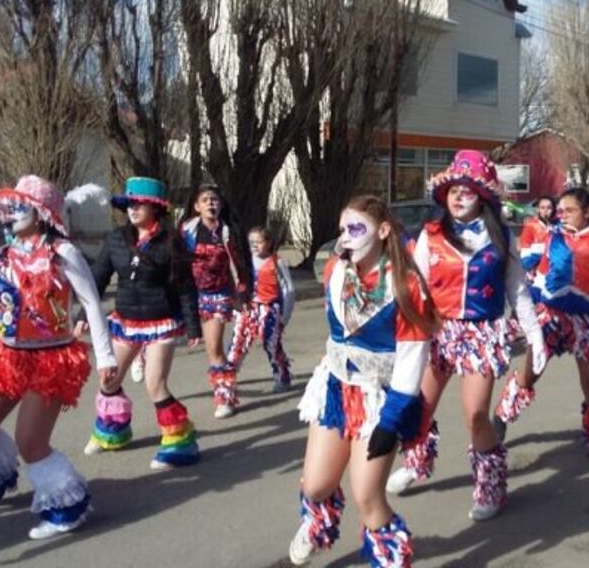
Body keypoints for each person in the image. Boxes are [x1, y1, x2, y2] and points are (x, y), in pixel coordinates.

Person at [384, 150, 546, 521]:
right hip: (438, 331)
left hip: (482, 333)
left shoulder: (501, 237)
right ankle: (417, 462)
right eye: (453, 190)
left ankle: (491, 485)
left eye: (467, 190)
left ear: (483, 197)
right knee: (418, 406)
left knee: (475, 415)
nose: (458, 196)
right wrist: (403, 336)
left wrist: (535, 337)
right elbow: (415, 289)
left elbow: (517, 291)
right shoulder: (431, 235)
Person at [0, 175, 118, 539]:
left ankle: (66, 507)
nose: (10, 215)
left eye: (20, 207)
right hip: (7, 356)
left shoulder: (63, 254)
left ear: (42, 213)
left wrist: (106, 356)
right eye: (8, 208)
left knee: (31, 444)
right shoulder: (1, 256)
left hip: (51, 360)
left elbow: (91, 303)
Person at [290, 195, 436, 567]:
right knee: (316, 485)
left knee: (367, 495)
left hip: (381, 398)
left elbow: (412, 358)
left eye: (356, 229)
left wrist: (391, 422)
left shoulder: (405, 285)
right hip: (337, 389)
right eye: (343, 230)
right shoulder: (333, 271)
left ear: (383, 230)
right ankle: (316, 522)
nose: (347, 238)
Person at [494, 187, 589, 463]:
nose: (564, 215)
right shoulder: (553, 237)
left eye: (570, 210)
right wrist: (527, 308)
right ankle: (501, 416)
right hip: (552, 315)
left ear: (587, 212)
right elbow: (541, 276)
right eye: (561, 211)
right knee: (531, 373)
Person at [83, 177, 203, 470]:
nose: (133, 209)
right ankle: (113, 432)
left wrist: (193, 325)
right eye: (129, 204)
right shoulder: (116, 239)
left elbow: (184, 287)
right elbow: (96, 278)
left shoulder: (171, 241)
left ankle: (180, 443)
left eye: (139, 204)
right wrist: (81, 316)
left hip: (160, 321)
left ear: (156, 207)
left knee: (154, 384)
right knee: (109, 380)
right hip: (126, 320)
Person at [179, 184, 250, 419]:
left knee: (214, 348)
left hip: (217, 295)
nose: (211, 203)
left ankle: (224, 396)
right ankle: (142, 357)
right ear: (196, 206)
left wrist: (243, 292)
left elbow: (242, 264)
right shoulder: (186, 231)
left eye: (215, 200)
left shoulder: (229, 232)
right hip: (190, 294)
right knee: (162, 332)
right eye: (205, 200)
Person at [225, 225, 296, 402]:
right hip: (248, 307)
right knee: (237, 344)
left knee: (271, 343)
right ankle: (227, 381)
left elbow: (288, 290)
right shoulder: (245, 261)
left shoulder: (277, 262)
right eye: (251, 242)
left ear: (269, 243)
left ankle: (282, 375)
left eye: (259, 241)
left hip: (269, 308)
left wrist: (284, 317)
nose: (255, 245)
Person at [519, 195, 556, 276]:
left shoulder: (558, 227)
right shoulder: (531, 226)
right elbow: (525, 256)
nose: (545, 211)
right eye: (542, 208)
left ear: (553, 209)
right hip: (537, 272)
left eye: (549, 208)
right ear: (538, 209)